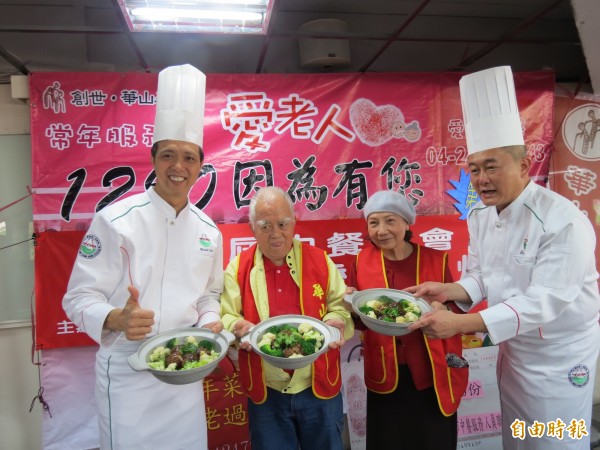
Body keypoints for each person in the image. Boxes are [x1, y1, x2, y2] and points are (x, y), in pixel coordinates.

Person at [406, 66, 600, 450]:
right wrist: (449, 289)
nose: (481, 179)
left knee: (556, 441)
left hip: (559, 356)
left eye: (492, 166)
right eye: (475, 169)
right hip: (514, 349)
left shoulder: (563, 221)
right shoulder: (480, 215)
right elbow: (484, 276)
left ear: (524, 166)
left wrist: (461, 325)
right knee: (519, 437)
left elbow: (546, 300)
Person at [62, 64, 224, 449]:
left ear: (201, 166)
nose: (178, 167)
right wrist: (115, 318)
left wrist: (210, 320)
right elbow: (77, 297)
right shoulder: (116, 220)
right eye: (168, 155)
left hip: (185, 366)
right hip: (128, 373)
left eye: (189, 158)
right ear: (153, 160)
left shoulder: (208, 231)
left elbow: (208, 294)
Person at [220, 186, 354, 450]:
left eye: (282, 224)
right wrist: (236, 326)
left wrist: (337, 320)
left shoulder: (320, 261)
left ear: (294, 222)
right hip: (266, 389)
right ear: (251, 227)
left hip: (318, 385)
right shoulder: (238, 268)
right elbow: (226, 314)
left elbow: (339, 306)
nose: (276, 234)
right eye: (265, 226)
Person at [345, 189, 468, 450]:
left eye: (390, 221)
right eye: (374, 223)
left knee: (433, 438)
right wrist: (351, 306)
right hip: (386, 368)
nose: (382, 230)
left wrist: (441, 307)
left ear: (406, 223)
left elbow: (455, 311)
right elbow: (359, 320)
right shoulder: (361, 262)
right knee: (388, 440)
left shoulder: (436, 260)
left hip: (431, 368)